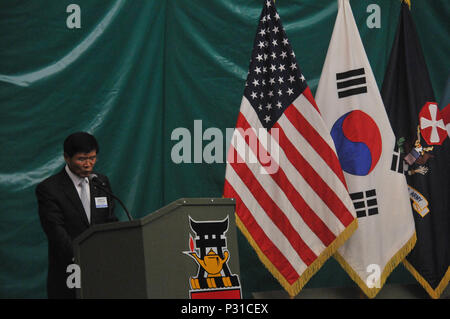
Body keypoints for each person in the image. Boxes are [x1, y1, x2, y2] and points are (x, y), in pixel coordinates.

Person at [36, 132, 118, 299]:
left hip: (102, 272)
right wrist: (84, 257)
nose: (88, 164)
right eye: (82, 159)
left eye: (93, 158)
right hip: (69, 272)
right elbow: (56, 232)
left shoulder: (101, 182)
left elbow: (110, 221)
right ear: (67, 157)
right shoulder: (50, 189)